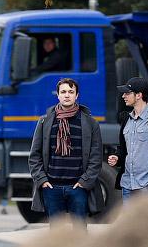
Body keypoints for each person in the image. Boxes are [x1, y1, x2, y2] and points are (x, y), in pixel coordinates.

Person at [28, 78, 103, 228]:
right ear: (57, 95)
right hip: (51, 188)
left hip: (78, 188)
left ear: (77, 95)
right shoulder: (44, 121)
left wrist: (84, 182)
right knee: (57, 235)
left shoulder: (90, 123)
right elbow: (34, 155)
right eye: (63, 92)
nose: (67, 95)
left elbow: (96, 157)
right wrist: (42, 180)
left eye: (71, 92)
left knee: (80, 231)